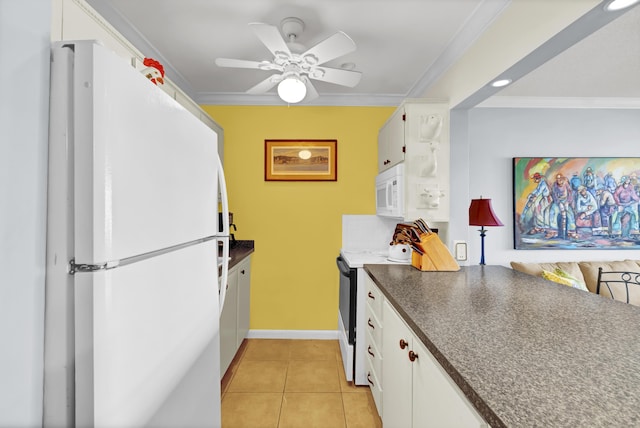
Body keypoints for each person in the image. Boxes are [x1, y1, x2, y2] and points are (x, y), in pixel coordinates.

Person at [546, 174, 577, 239]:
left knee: (570, 213)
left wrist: (567, 202)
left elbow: (570, 193)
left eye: (560, 179)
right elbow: (554, 194)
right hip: (558, 202)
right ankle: (553, 231)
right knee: (553, 211)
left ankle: (571, 231)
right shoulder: (555, 185)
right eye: (557, 179)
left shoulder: (566, 184)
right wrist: (559, 203)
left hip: (566, 201)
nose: (558, 180)